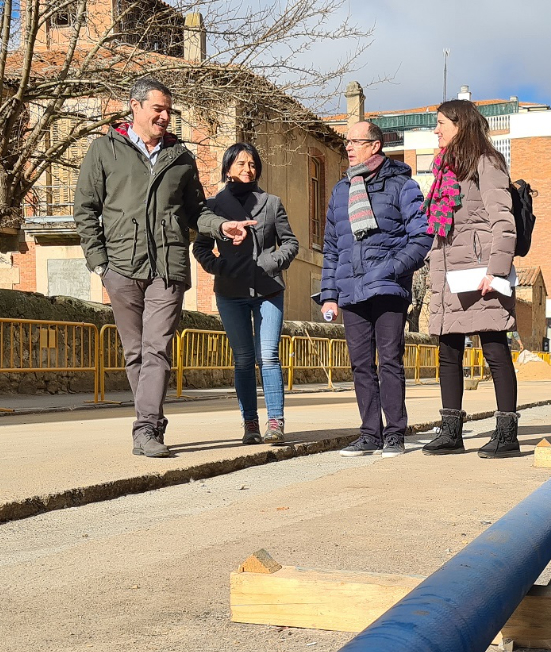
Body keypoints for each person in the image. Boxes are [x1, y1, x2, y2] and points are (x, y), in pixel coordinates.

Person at [76, 77, 255, 458]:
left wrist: (222, 226)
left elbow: (196, 213)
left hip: (168, 267)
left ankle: (146, 429)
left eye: (169, 110)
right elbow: (86, 210)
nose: (165, 116)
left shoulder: (181, 157)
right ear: (134, 106)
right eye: (158, 108)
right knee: (134, 353)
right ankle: (150, 425)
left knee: (157, 348)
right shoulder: (104, 151)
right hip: (121, 268)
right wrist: (99, 263)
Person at [317, 121, 432, 457]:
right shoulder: (341, 191)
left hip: (388, 289)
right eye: (346, 141)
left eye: (355, 141)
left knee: (390, 361)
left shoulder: (402, 185)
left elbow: (422, 236)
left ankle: (395, 432)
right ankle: (370, 433)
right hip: (351, 289)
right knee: (361, 364)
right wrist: (329, 293)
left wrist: (391, 270)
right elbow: (331, 247)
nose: (348, 147)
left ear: (375, 146)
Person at [420, 99, 521, 458]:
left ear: (460, 124)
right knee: (449, 351)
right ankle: (451, 432)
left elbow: (503, 221)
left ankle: (507, 433)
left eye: (441, 123)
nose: (436, 130)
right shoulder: (445, 170)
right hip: (449, 272)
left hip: (480, 271)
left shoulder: (487, 162)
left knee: (494, 348)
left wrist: (496, 271)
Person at [194, 143, 299, 445]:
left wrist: (270, 261)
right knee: (243, 359)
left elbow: (290, 243)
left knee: (268, 356)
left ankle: (275, 422)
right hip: (230, 290)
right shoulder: (213, 207)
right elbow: (199, 247)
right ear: (228, 169)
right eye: (240, 164)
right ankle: (250, 424)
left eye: (252, 164)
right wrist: (218, 266)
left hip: (268, 289)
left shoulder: (271, 202)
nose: (247, 169)